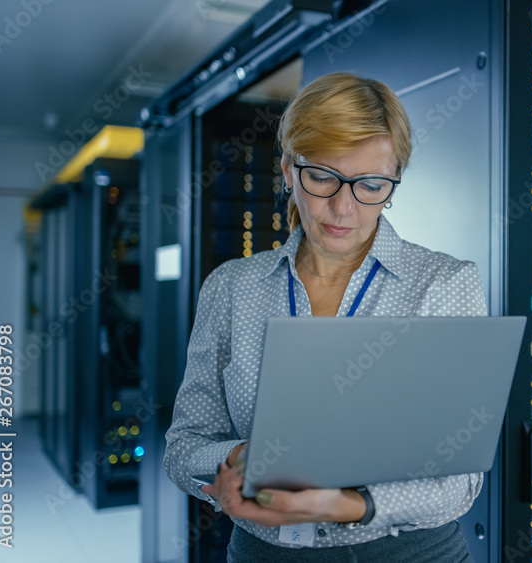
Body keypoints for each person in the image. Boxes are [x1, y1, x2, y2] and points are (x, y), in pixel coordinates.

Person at [164, 72, 487, 562]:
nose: (342, 207)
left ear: (395, 179)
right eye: (321, 177)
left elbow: (459, 480)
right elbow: (182, 448)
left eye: (371, 185)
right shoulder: (231, 288)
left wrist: (347, 504)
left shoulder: (443, 285)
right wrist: (234, 460)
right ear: (289, 170)